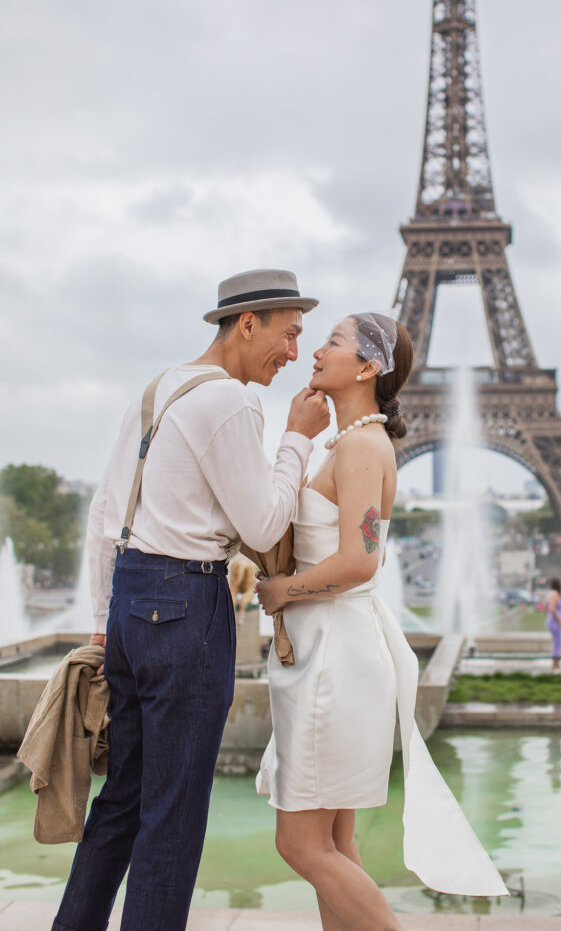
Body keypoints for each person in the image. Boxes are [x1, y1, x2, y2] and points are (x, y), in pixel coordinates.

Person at [51, 269, 330, 931]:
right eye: (288, 335)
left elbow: (103, 515)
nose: (293, 353)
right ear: (248, 323)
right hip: (186, 610)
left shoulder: (159, 389)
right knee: (172, 817)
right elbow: (263, 526)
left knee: (120, 801)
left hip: (130, 601)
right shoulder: (232, 402)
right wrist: (297, 438)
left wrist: (99, 624)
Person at [256, 313, 508, 931]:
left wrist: (283, 589)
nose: (316, 349)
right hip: (334, 649)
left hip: (333, 657)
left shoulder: (363, 447)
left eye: (333, 342)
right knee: (335, 840)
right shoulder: (351, 443)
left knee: (301, 844)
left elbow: (363, 560)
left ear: (368, 367)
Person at [545, 577, 561, 673]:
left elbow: (547, 608)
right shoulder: (555, 595)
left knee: (557, 643)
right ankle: (555, 667)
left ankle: (557, 666)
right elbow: (552, 609)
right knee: (558, 644)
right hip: (554, 622)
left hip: (551, 621)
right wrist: (559, 620)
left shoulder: (550, 594)